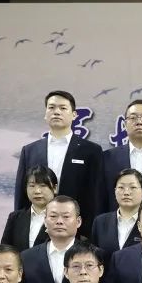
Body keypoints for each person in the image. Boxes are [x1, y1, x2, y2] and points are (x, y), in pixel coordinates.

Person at [14, 90, 103, 234]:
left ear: (74, 115)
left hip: (76, 229)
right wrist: (19, 227)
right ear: (45, 114)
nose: (56, 112)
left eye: (63, 108)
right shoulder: (30, 150)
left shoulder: (91, 151)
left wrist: (91, 232)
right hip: (36, 227)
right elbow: (21, 193)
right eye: (51, 107)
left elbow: (96, 195)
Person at [91, 169, 142, 258]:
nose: (126, 192)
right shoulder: (100, 222)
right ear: (115, 191)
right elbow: (93, 257)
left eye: (133, 187)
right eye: (121, 187)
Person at [1, 166, 55, 251]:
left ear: (55, 188)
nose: (37, 191)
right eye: (32, 186)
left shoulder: (63, 218)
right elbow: (5, 250)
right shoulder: (15, 218)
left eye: (43, 185)